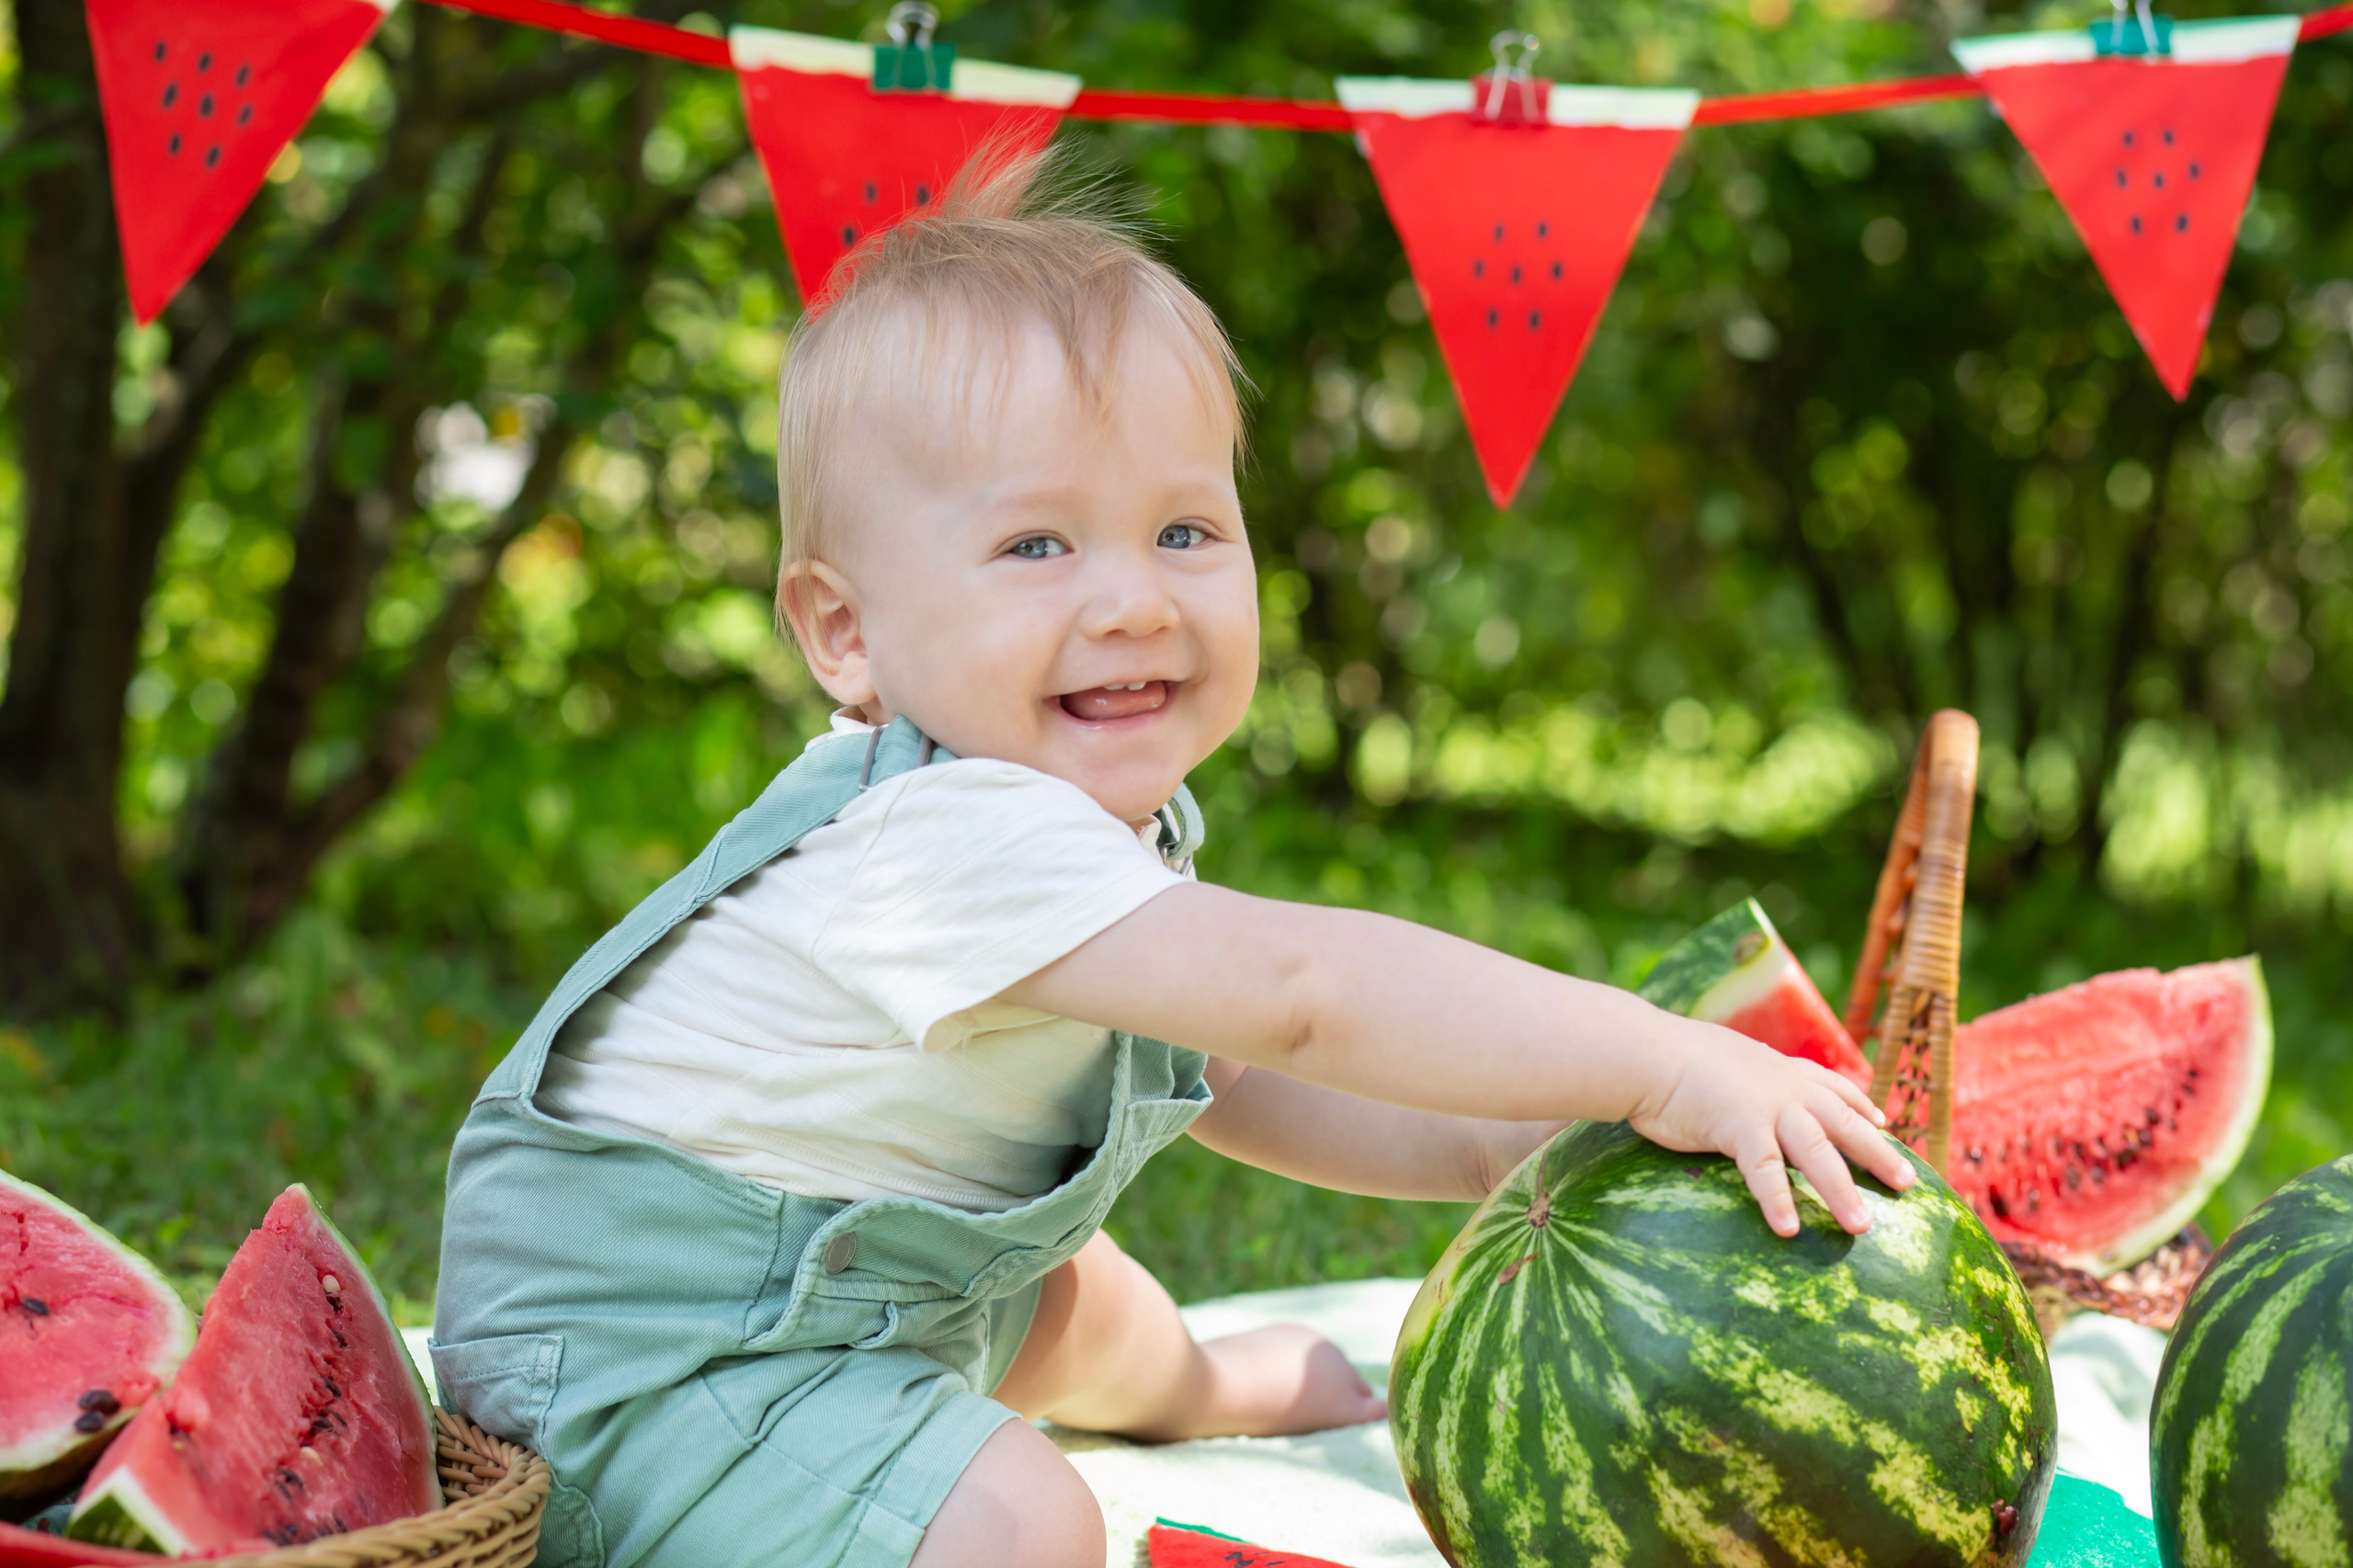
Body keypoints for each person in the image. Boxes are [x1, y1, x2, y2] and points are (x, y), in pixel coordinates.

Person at [431, 144, 1912, 1568]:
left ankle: (1198, 1386)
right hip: (644, 1375)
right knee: (1026, 1524)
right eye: (1037, 548)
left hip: (872, 1294)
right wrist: (1659, 1062)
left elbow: (1239, 1074)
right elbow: (1297, 990)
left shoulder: (1067, 829)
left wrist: (1486, 1142)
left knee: (1083, 1303)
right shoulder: (943, 836)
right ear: (846, 633)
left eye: (1187, 530)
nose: (1135, 601)